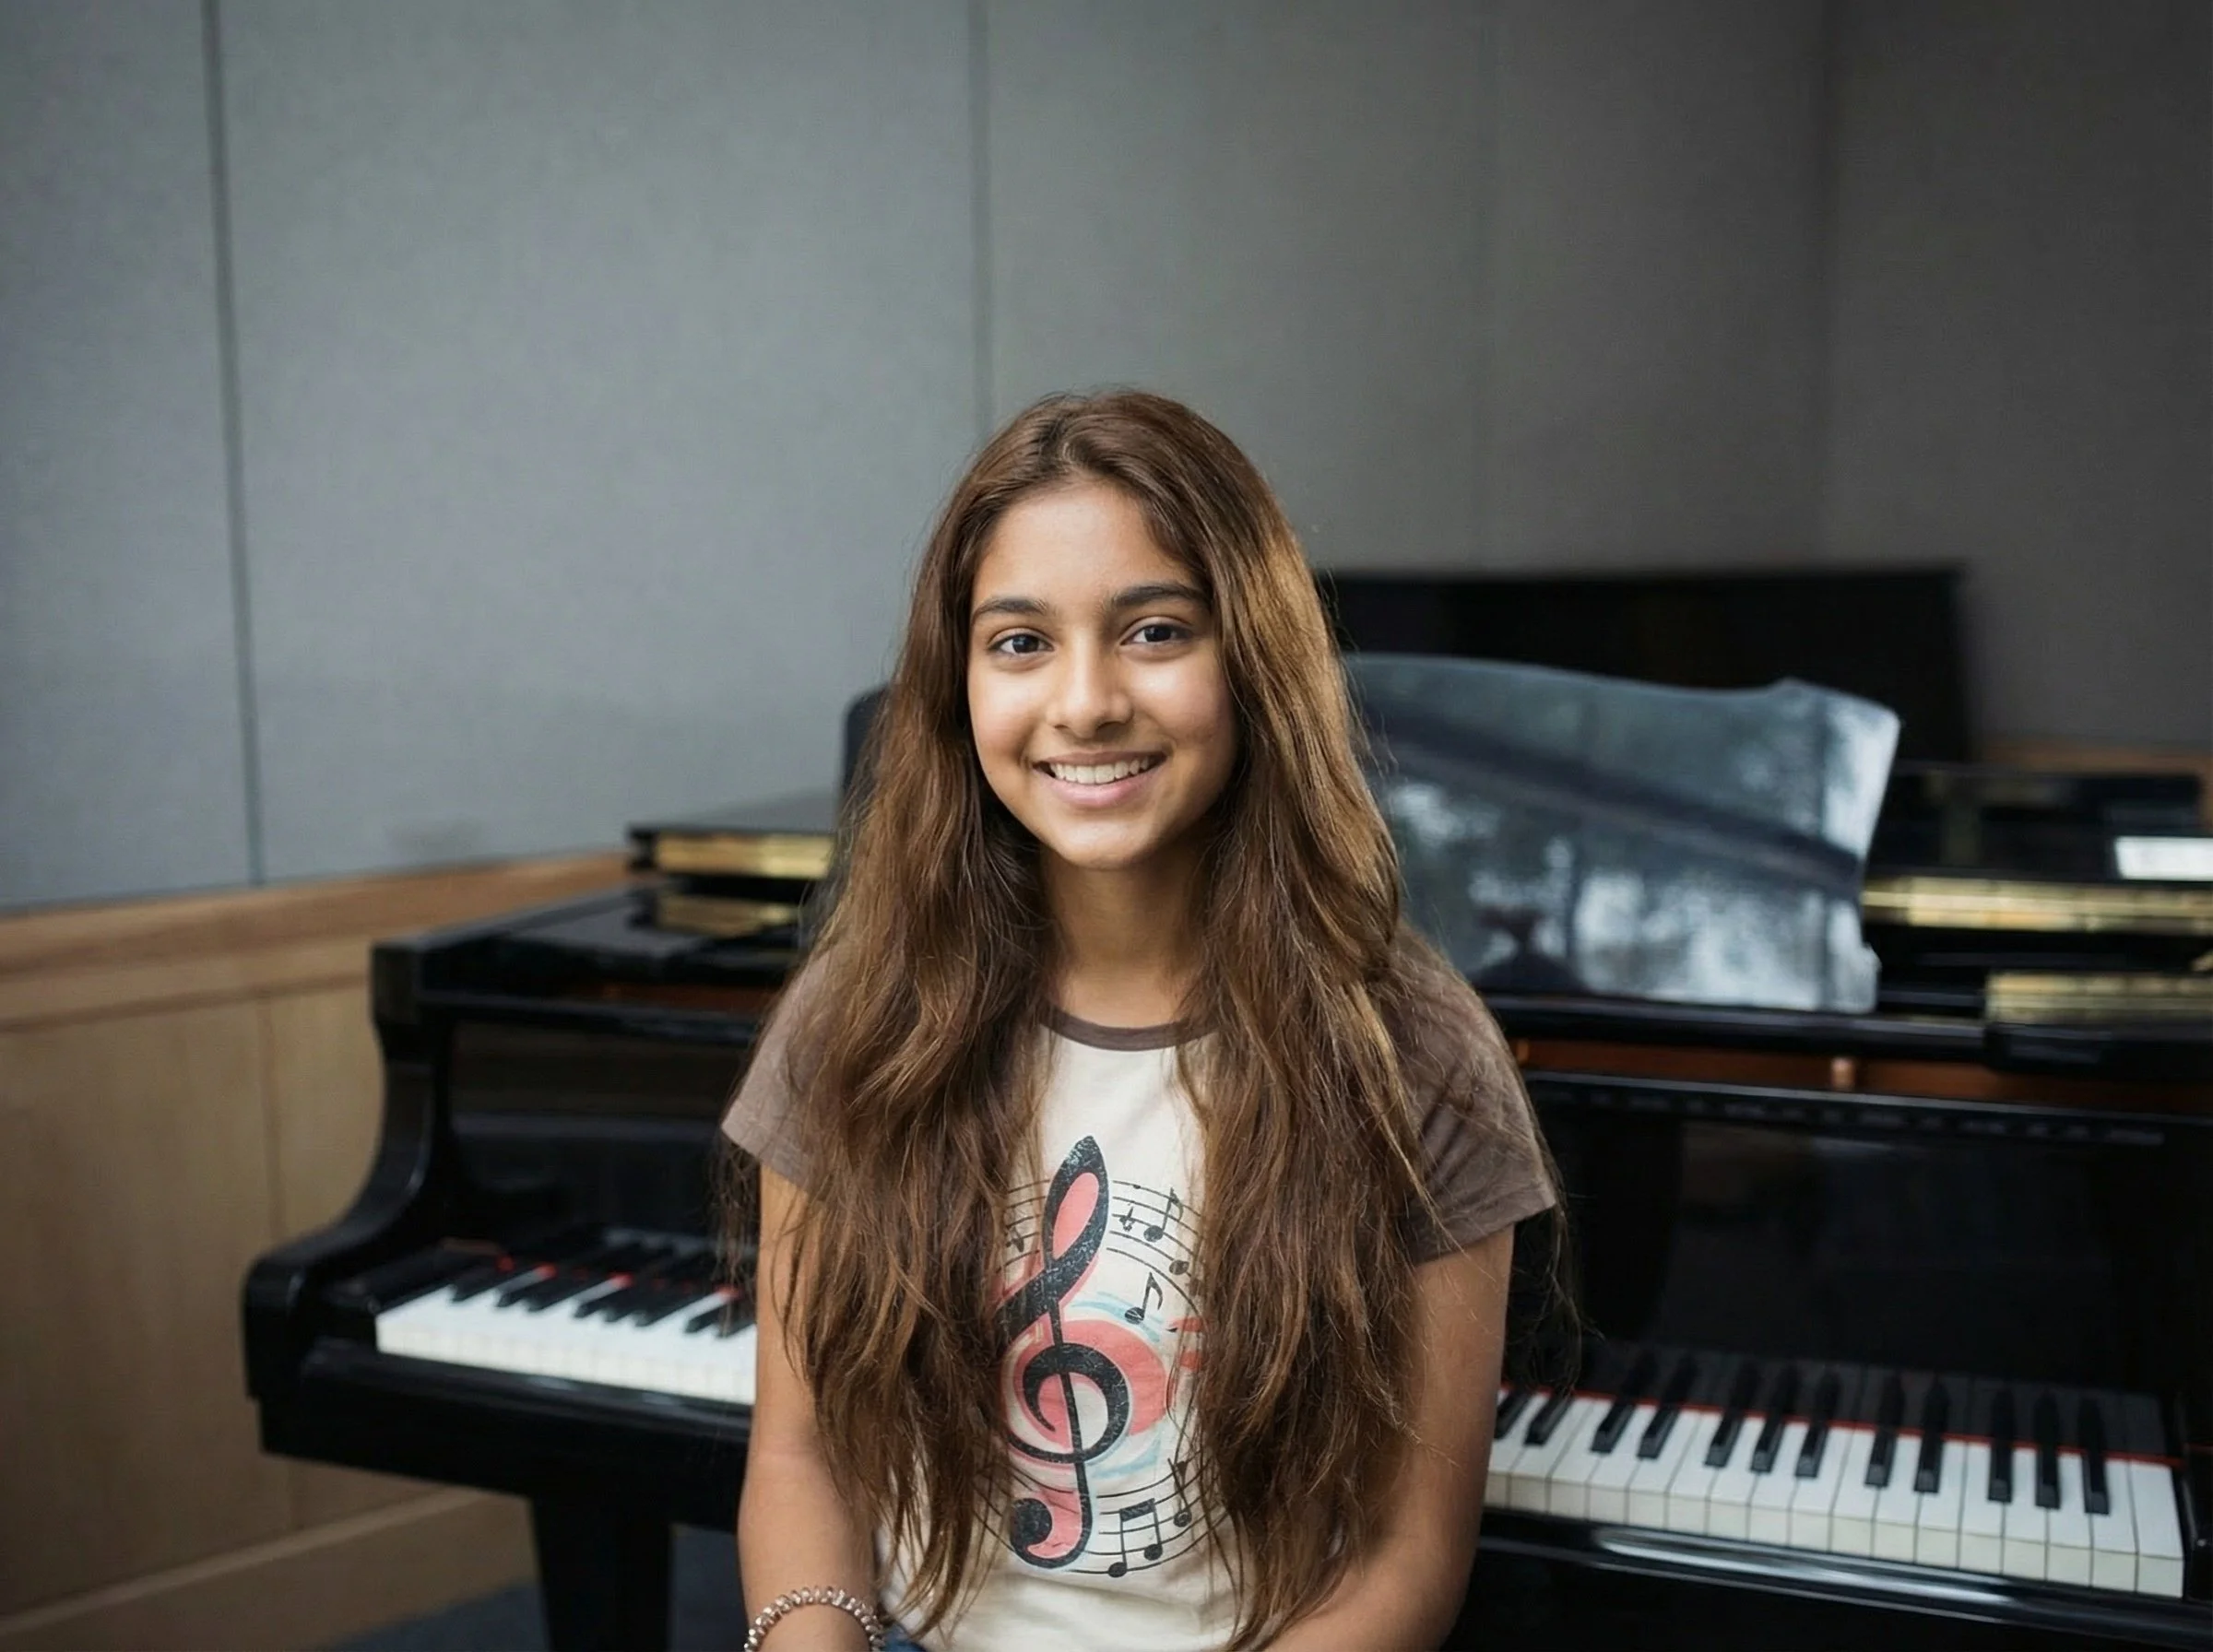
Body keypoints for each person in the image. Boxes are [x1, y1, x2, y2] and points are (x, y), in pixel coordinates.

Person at [721, 390, 1560, 1651]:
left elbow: (1406, 1558)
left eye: (1155, 631)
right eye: (1019, 643)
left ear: (1254, 658)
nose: (1087, 702)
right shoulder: (854, 1015)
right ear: (958, 689)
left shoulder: (1422, 1051)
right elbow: (800, 1462)